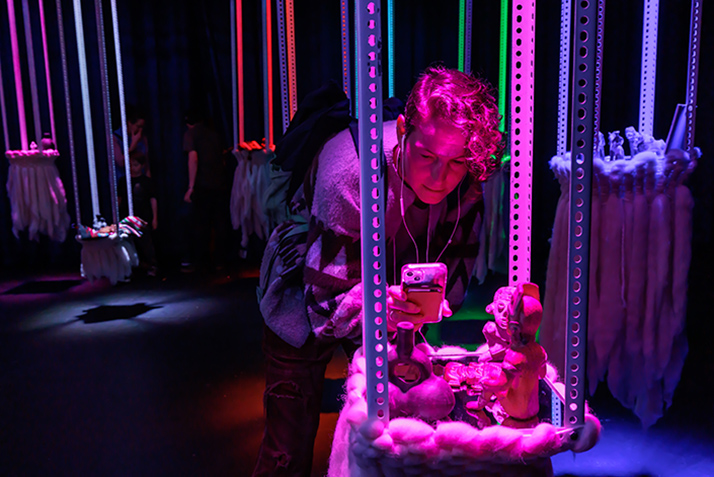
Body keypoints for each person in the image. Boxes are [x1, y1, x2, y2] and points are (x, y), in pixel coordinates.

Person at [253, 66, 503, 476]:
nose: (440, 178)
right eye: (426, 156)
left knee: (385, 435)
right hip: (300, 299)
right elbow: (325, 302)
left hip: (387, 306)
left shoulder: (468, 184)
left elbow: (452, 286)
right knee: (287, 444)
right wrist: (390, 307)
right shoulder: (351, 168)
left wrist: (419, 307)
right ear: (404, 129)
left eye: (456, 161)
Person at [182, 111, 230, 271]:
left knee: (201, 223)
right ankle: (220, 260)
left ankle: (201, 261)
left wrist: (191, 186)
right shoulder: (214, 134)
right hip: (220, 183)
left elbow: (193, 158)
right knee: (220, 222)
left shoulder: (192, 134)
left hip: (203, 184)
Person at [119, 151, 158, 276]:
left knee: (146, 242)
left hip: (143, 216)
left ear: (141, 166)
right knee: (128, 243)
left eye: (135, 165)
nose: (132, 168)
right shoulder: (123, 181)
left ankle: (152, 265)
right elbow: (119, 200)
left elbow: (153, 199)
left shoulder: (146, 182)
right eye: (130, 165)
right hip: (126, 217)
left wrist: (155, 218)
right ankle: (131, 267)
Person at [113, 106, 150, 181]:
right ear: (129, 123)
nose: (140, 130)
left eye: (142, 127)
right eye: (138, 126)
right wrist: (133, 145)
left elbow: (146, 164)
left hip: (140, 181)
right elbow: (121, 162)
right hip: (122, 182)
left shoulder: (143, 138)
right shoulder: (114, 138)